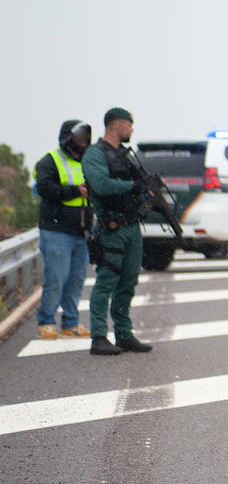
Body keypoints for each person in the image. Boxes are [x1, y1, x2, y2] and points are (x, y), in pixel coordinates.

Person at [82, 107, 153, 355]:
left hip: (132, 226)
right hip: (111, 227)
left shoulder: (125, 155)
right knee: (106, 281)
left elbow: (138, 184)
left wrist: (146, 191)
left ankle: (123, 334)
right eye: (129, 124)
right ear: (116, 125)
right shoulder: (95, 154)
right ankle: (99, 337)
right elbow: (100, 184)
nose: (131, 129)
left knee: (128, 282)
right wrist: (133, 186)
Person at [33, 119, 93, 339]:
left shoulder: (88, 162)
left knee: (76, 280)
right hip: (56, 230)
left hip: (81, 231)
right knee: (56, 279)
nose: (83, 142)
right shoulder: (50, 160)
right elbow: (45, 188)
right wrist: (75, 191)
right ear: (68, 138)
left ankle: (70, 323)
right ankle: (46, 322)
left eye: (85, 137)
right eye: (79, 137)